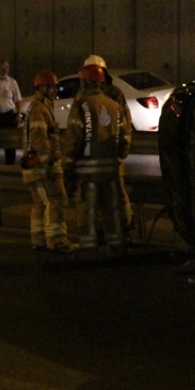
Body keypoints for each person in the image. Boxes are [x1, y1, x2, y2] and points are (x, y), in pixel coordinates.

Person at [62, 63, 131, 254]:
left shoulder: (81, 106)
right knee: (113, 211)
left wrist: (67, 168)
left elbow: (73, 141)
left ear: (84, 83)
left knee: (88, 213)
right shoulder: (115, 107)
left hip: (87, 174)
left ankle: (89, 249)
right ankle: (117, 246)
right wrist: (120, 155)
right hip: (111, 171)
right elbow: (125, 137)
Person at [78, 54, 134, 230]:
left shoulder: (112, 94)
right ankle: (114, 231)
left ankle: (117, 229)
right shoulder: (87, 96)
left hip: (100, 157)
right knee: (106, 197)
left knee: (110, 196)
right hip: (102, 157)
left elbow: (125, 125)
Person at [23, 70, 73, 252]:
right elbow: (39, 139)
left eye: (55, 87)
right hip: (43, 166)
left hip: (33, 166)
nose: (54, 91)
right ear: (41, 88)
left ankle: (39, 240)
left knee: (40, 204)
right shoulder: (40, 110)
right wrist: (48, 162)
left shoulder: (38, 108)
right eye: (51, 87)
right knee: (55, 201)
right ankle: (57, 241)